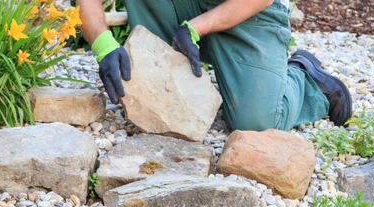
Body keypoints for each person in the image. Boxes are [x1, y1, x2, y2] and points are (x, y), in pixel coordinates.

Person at [76, 0, 353, 132]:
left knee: (256, 123)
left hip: (251, 13)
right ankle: (174, 73)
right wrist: (104, 45)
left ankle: (304, 80)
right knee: (154, 91)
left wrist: (196, 29)